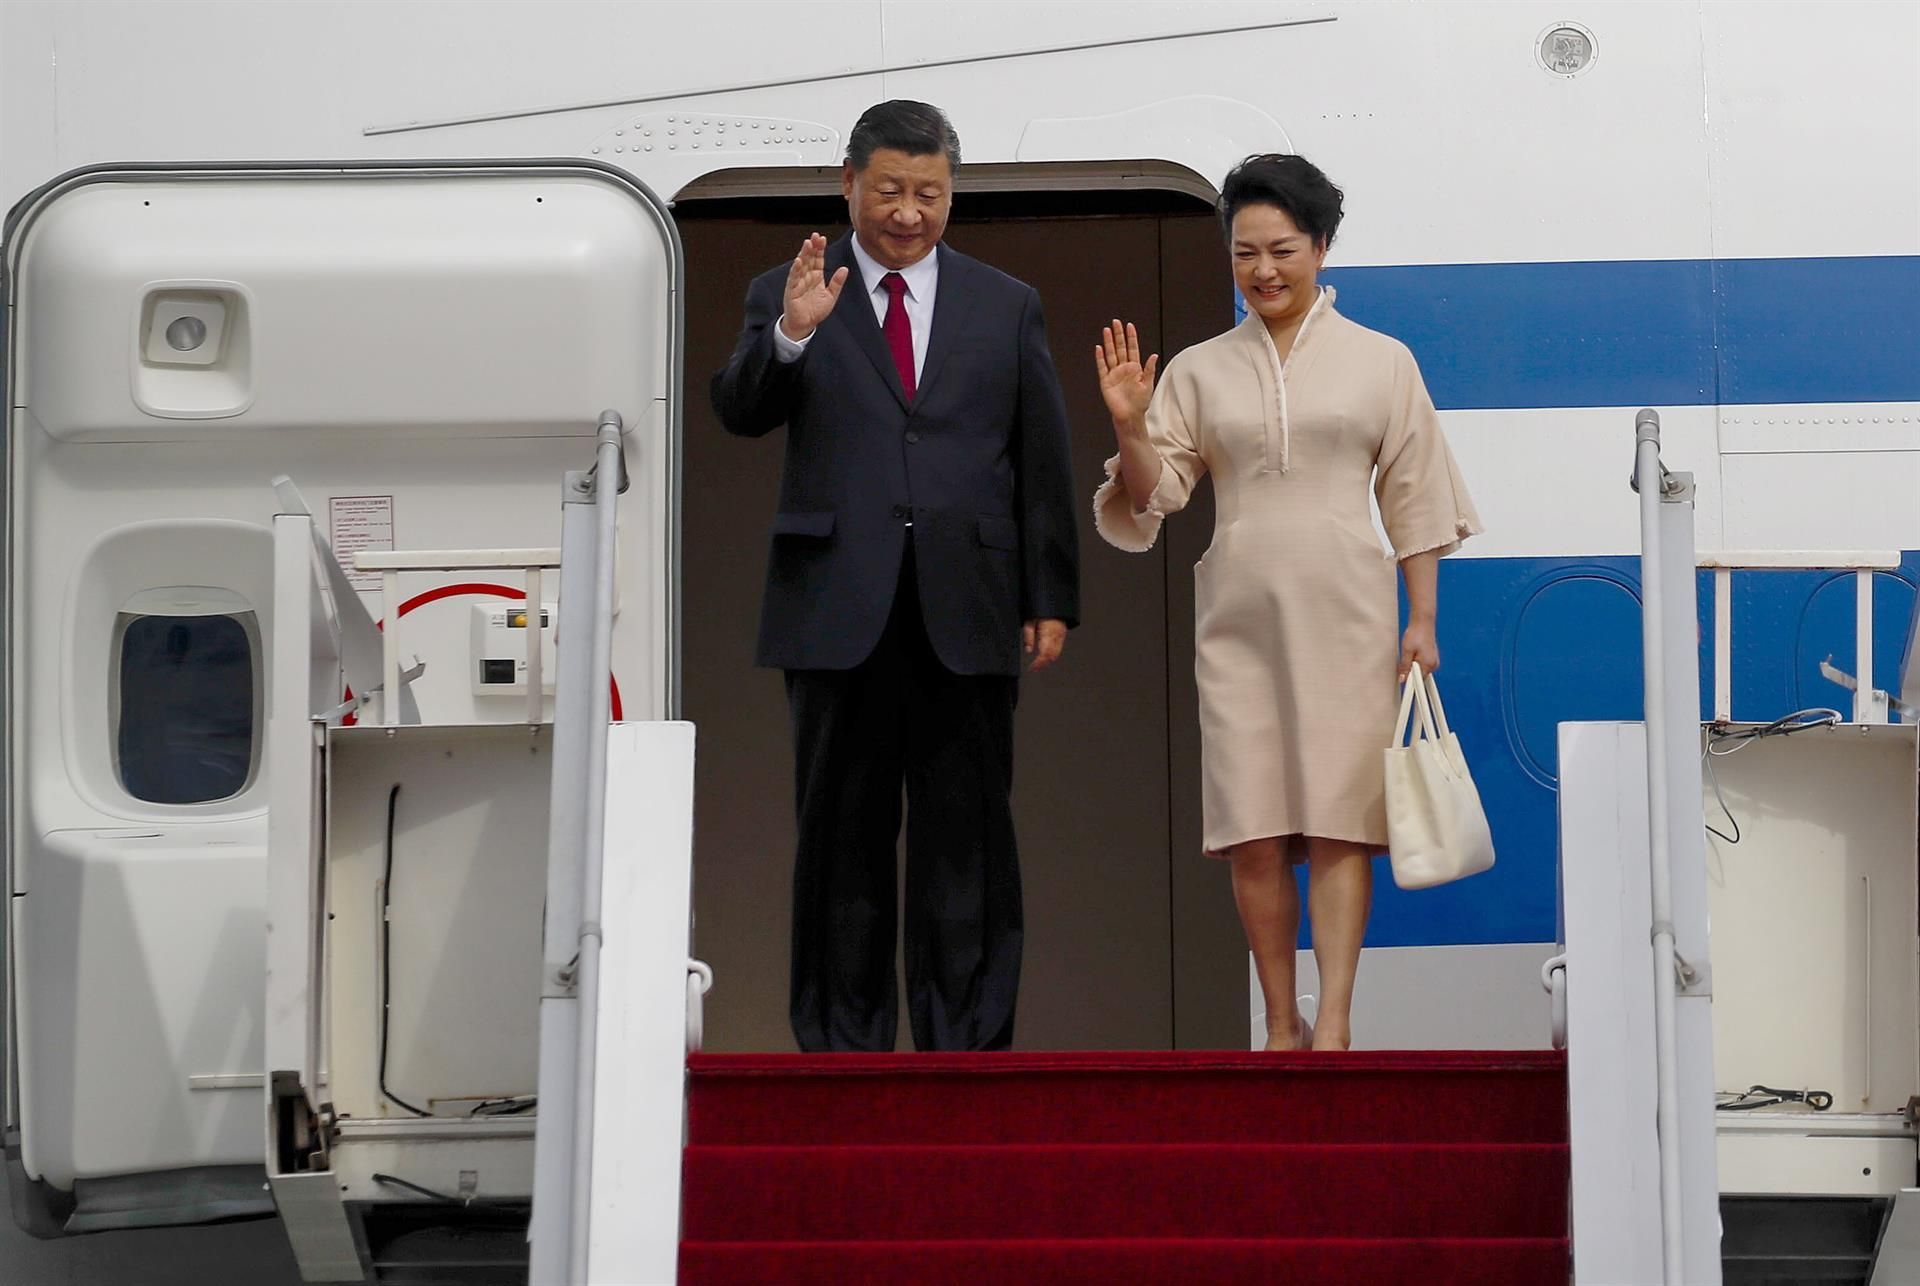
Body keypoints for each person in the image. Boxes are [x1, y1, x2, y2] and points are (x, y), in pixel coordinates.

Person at [711, 100, 1079, 1053]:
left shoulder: (1007, 303)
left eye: (929, 194)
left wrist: (1050, 596)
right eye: (889, 191)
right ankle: (843, 1045)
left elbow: (1042, 459)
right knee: (841, 836)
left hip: (970, 602)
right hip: (837, 602)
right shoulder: (789, 287)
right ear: (848, 185)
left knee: (970, 839)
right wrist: (790, 336)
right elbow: (739, 410)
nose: (908, 213)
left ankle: (967, 1041)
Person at [1092, 153, 1479, 1052]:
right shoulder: (1197, 368)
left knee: (1342, 827)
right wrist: (1126, 423)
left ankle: (1335, 1021)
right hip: (1238, 622)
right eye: (1244, 253)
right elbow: (1159, 494)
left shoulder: (1384, 361)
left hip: (1349, 614)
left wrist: (1421, 621)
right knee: (1252, 830)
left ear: (1322, 247)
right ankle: (1278, 1022)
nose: (1263, 271)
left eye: (1282, 249)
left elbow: (1416, 497)